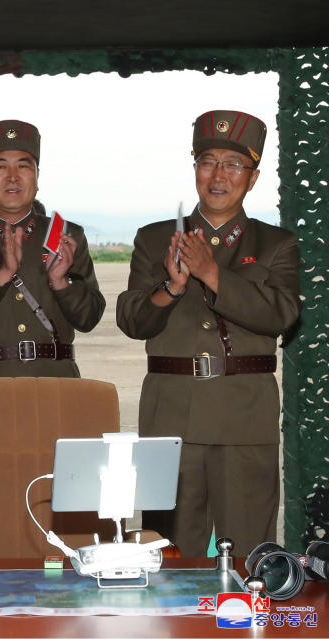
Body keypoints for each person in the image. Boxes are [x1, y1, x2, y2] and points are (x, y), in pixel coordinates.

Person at [116, 110, 300, 557]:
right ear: (195, 168)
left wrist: (213, 274)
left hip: (244, 417)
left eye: (233, 165)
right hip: (170, 414)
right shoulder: (155, 238)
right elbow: (133, 320)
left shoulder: (275, 244)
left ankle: (245, 626)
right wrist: (172, 286)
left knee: (249, 553)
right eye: (207, 161)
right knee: (169, 553)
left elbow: (282, 314)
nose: (218, 175)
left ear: (252, 178)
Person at [0, 120, 104, 378]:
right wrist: (0, 275)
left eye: (24, 166)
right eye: (1, 166)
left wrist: (61, 283)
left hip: (56, 385)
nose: (13, 177)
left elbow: (89, 318)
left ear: (37, 175)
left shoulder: (64, 235)